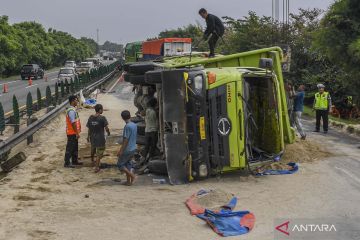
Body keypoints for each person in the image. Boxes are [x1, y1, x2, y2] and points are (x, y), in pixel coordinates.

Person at [86, 104, 110, 173]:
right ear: (100, 110)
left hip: (92, 137)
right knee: (100, 152)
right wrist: (108, 132)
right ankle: (97, 167)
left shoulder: (90, 117)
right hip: (100, 138)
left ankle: (92, 160)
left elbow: (89, 128)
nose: (102, 110)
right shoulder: (102, 118)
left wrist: (88, 136)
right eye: (102, 109)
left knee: (93, 149)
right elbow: (106, 128)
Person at [117, 110, 137, 186]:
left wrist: (121, 151)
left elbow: (125, 140)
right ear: (130, 116)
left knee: (120, 164)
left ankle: (133, 176)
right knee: (127, 164)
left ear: (122, 118)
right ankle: (128, 181)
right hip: (133, 148)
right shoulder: (134, 125)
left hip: (127, 149)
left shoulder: (127, 126)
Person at [64, 95, 82, 168]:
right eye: (76, 100)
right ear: (72, 101)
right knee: (70, 148)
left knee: (75, 147)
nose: (77, 101)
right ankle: (67, 163)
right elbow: (73, 122)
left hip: (73, 132)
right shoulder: (71, 111)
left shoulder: (73, 109)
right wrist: (77, 133)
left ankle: (75, 161)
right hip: (72, 133)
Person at [142, 98, 159, 163]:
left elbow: (142, 114)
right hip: (154, 130)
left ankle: (144, 158)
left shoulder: (146, 111)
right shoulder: (155, 112)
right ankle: (150, 158)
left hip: (147, 130)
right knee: (153, 145)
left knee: (147, 145)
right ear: (155, 104)